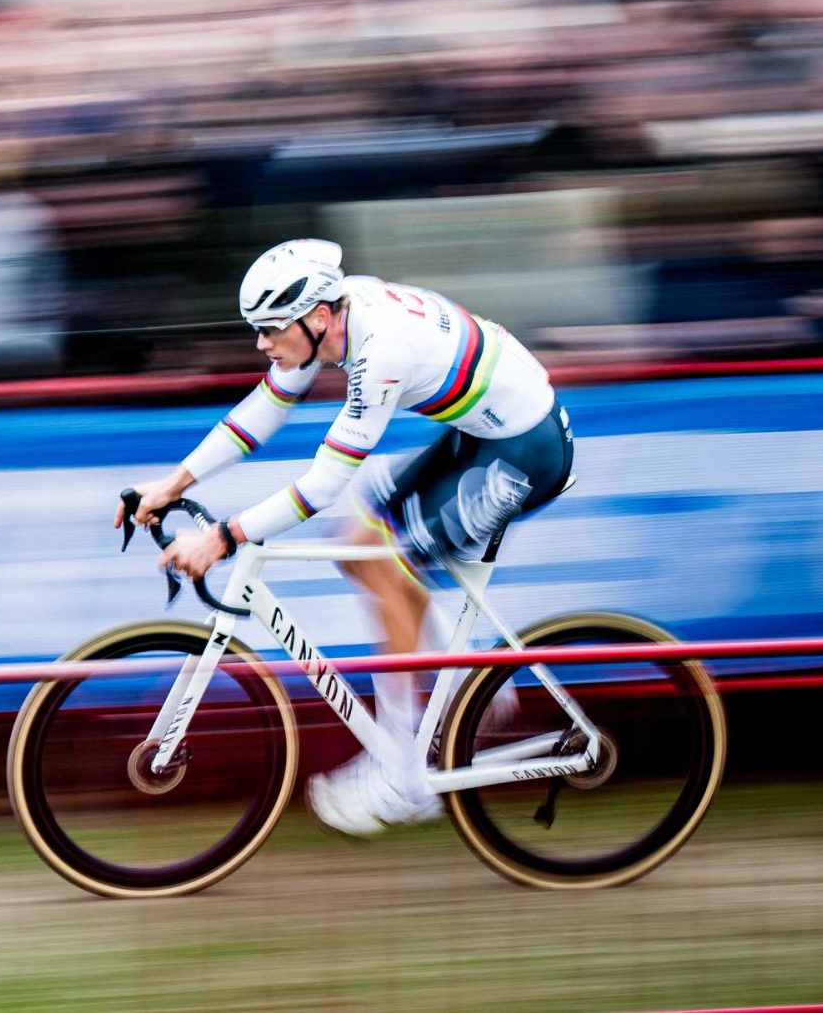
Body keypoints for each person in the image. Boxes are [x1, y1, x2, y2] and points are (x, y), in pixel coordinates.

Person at [120, 238, 575, 836]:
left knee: (386, 565)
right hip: (483, 433)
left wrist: (224, 538)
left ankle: (404, 777)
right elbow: (264, 408)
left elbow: (324, 482)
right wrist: (172, 482)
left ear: (317, 319)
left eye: (270, 329)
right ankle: (460, 682)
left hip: (526, 451)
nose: (262, 343)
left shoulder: (378, 350)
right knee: (358, 541)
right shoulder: (331, 315)